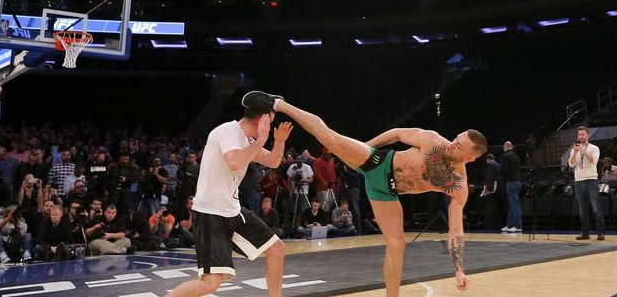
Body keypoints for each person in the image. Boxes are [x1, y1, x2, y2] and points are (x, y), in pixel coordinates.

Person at [243, 91, 487, 294]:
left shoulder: (458, 184)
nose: (452, 142)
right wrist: (368, 146)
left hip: (387, 192)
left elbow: (456, 229)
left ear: (468, 157)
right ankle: (278, 103)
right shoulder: (433, 140)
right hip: (378, 162)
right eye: (456, 138)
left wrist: (459, 269)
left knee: (397, 243)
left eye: (458, 145)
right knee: (330, 138)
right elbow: (399, 133)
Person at [166, 101, 293, 297]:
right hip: (211, 213)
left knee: (277, 249)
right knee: (210, 284)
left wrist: (280, 141)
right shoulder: (228, 131)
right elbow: (234, 161)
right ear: (262, 120)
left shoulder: (247, 140)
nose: (270, 126)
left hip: (232, 210)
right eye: (270, 121)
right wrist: (261, 141)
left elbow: (273, 161)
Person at [568, 126, 604, 240]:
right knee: (582, 210)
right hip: (579, 181)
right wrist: (574, 152)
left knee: (596, 208)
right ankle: (585, 233)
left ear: (587, 135)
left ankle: (600, 233)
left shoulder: (594, 148)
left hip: (591, 181)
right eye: (579, 135)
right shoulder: (574, 149)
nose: (581, 137)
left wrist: (583, 150)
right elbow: (571, 164)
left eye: (583, 134)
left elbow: (593, 161)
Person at [500, 141, 522, 233]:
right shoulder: (516, 156)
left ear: (505, 147)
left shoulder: (505, 156)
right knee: (513, 204)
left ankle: (517, 226)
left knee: (514, 205)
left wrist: (501, 176)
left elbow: (503, 171)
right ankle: (510, 224)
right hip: (517, 182)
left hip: (511, 182)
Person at [482, 154, 502, 230]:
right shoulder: (498, 165)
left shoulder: (490, 165)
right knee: (497, 209)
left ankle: (488, 226)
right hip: (498, 190)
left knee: (489, 208)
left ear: (487, 159)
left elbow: (490, 178)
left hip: (492, 190)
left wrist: (488, 190)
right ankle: (497, 225)